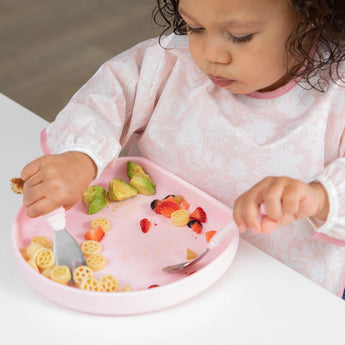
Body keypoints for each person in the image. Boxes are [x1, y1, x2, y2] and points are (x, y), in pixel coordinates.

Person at [20, 0, 345, 297]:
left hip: (275, 296)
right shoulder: (170, 63)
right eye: (196, 28)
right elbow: (107, 97)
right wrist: (80, 157)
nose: (211, 54)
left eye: (240, 35)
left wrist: (318, 197)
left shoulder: (336, 97)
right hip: (152, 266)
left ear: (311, 19)